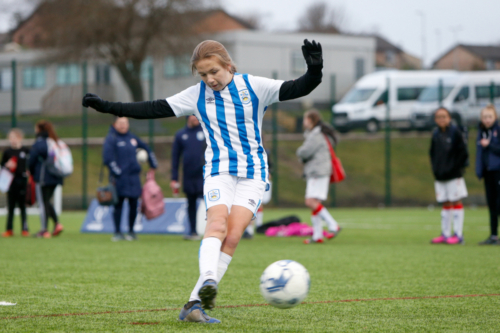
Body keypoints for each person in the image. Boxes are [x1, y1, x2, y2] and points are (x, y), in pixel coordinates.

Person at [83, 38, 323, 324]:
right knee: (217, 224)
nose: (209, 79)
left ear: (228, 65)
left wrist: (315, 70)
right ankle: (209, 280)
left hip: (254, 174)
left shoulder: (254, 87)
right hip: (218, 171)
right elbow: (152, 108)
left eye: (214, 72)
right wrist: (109, 106)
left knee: (232, 236)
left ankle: (193, 304)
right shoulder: (196, 96)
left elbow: (298, 87)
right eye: (203, 74)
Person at [103, 117, 158, 242]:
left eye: (125, 123)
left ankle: (131, 231)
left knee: (134, 204)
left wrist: (153, 164)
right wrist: (117, 172)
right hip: (119, 179)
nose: (123, 125)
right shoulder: (111, 139)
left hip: (134, 178)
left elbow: (146, 148)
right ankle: (117, 232)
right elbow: (108, 158)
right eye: (120, 123)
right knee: (118, 204)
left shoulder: (132, 138)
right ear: (115, 124)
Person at [296, 109, 341, 244]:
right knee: (315, 204)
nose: (304, 122)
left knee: (310, 201)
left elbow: (304, 152)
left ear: (310, 120)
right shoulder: (317, 133)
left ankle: (333, 225)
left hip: (317, 172)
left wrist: (298, 152)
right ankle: (317, 236)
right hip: (319, 171)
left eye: (305, 119)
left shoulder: (316, 134)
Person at [429, 108, 468, 245]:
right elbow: (432, 154)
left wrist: (455, 169)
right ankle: (445, 234)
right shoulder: (435, 134)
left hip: (453, 175)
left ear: (449, 118)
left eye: (444, 116)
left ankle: (458, 234)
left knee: (456, 201)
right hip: (440, 176)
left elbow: (463, 153)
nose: (441, 119)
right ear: (435, 119)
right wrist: (436, 170)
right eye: (439, 117)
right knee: (445, 202)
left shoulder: (455, 133)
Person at [171, 115, 206, 241]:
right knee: (191, 204)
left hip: (204, 175)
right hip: (188, 176)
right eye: (192, 115)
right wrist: (174, 178)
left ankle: (212, 231)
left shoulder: (205, 131)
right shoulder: (181, 135)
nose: (195, 118)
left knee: (210, 203)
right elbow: (175, 157)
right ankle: (193, 231)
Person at [28, 120, 64, 238]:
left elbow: (31, 160)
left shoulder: (40, 142)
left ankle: (44, 230)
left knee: (43, 203)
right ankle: (57, 224)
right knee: (47, 201)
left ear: (39, 129)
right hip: (56, 176)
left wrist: (31, 172)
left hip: (44, 178)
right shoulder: (54, 141)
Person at [475, 105, 500, 245]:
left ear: (495, 117)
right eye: (484, 117)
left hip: (498, 171)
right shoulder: (481, 132)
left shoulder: (498, 131)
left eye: (489, 117)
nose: (487, 119)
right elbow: (479, 153)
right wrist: (479, 170)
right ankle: (493, 236)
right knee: (491, 205)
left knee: (499, 204)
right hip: (488, 173)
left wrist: (489, 145)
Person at [1, 129, 30, 237]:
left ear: (20, 138)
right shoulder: (7, 152)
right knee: (11, 206)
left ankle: (25, 229)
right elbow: (2, 166)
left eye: (14, 137)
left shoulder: (26, 151)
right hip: (10, 182)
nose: (12, 140)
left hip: (22, 181)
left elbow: (30, 165)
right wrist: (7, 165)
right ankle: (9, 229)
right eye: (10, 137)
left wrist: (28, 170)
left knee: (22, 206)